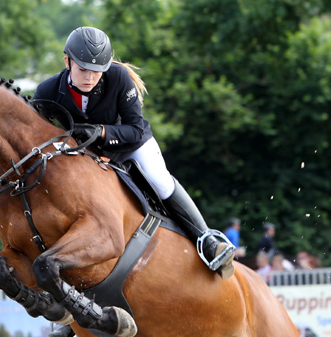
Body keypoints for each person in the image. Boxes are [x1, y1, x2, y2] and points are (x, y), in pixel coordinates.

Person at [34, 26, 235, 278]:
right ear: (67, 61)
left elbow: (135, 130)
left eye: (96, 71)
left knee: (159, 180)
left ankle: (208, 240)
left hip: (131, 145)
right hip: (89, 156)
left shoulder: (118, 77)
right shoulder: (47, 92)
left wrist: (102, 132)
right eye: (83, 69)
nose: (89, 77)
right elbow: (35, 136)